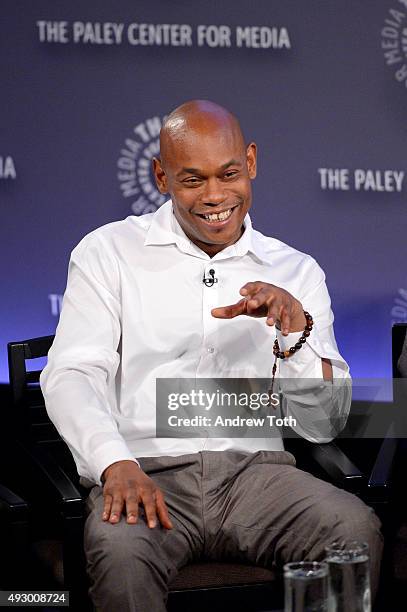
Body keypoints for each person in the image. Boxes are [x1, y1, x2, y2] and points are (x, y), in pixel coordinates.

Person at [41, 100, 383, 611]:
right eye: (192, 179)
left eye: (229, 174)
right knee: (120, 552)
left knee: (354, 528)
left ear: (251, 162)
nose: (216, 196)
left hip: (257, 478)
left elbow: (324, 424)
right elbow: (71, 373)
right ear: (161, 176)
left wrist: (295, 333)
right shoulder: (108, 252)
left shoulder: (297, 271)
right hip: (147, 474)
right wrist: (114, 463)